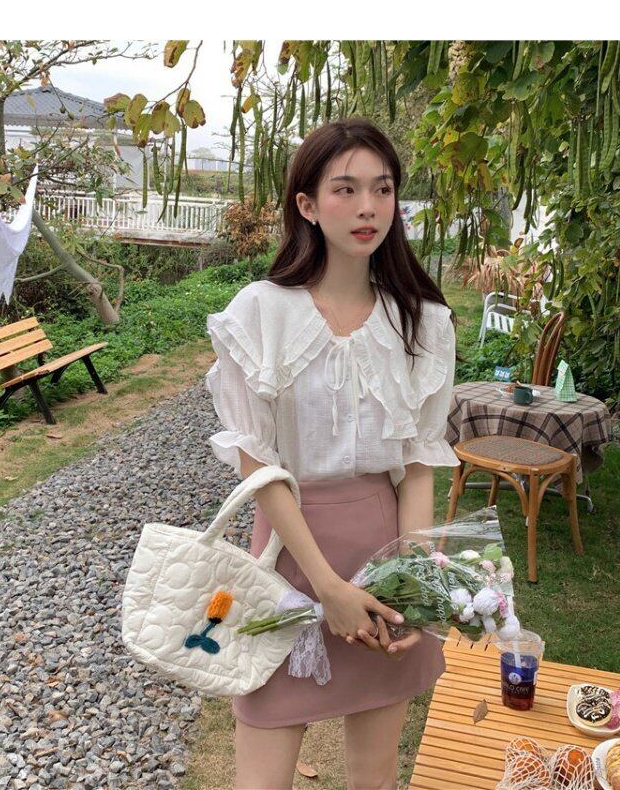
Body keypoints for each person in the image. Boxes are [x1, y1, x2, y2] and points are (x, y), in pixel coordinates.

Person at [205, 117, 461, 790]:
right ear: (308, 205)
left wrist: (411, 580)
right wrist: (326, 588)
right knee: (262, 775)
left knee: (374, 775)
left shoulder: (421, 322)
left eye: (383, 188)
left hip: (383, 550)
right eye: (345, 189)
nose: (368, 206)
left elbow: (417, 464)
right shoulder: (261, 313)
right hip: (287, 556)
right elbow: (259, 464)